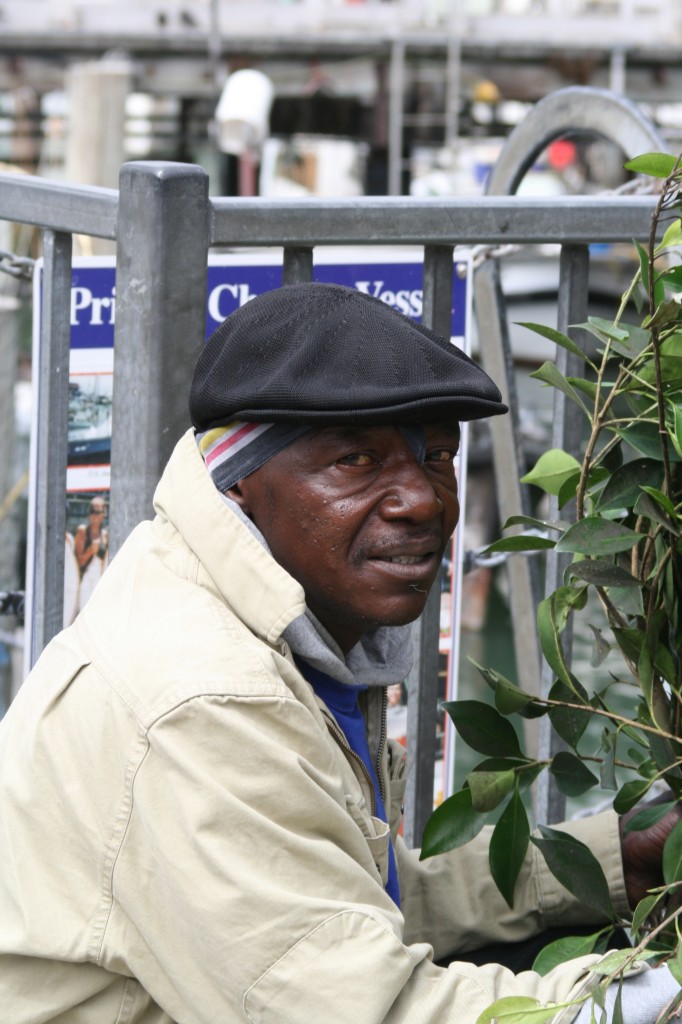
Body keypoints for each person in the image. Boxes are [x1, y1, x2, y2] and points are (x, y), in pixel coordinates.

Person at [0, 283, 678, 1023]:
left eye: (438, 455)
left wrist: (617, 859)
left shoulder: (256, 612)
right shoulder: (205, 699)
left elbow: (351, 905)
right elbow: (362, 1009)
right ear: (241, 483)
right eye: (357, 459)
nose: (422, 500)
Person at [73, 494, 109, 609]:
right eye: (92, 511)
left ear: (104, 514)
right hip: (85, 584)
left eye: (98, 512)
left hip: (99, 584)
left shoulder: (106, 536)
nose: (95, 515)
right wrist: (91, 551)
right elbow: (77, 563)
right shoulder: (82, 532)